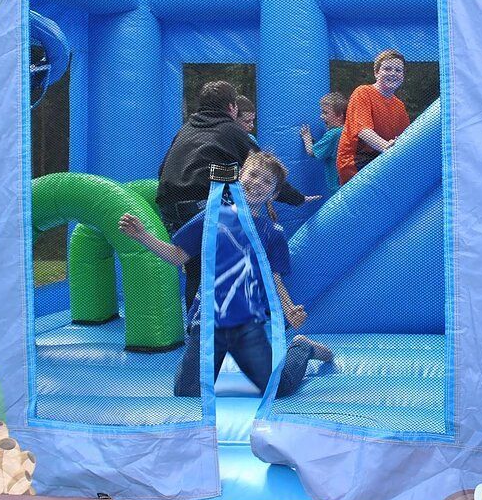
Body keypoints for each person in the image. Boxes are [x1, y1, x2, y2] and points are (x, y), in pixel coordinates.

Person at [121, 152, 333, 398]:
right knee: (186, 392)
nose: (256, 183)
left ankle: (301, 348)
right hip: (210, 318)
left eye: (266, 182)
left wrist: (288, 308)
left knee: (277, 388)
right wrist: (142, 236)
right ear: (239, 177)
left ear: (274, 194)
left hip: (250, 322)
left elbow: (274, 277)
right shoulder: (212, 217)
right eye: (252, 175)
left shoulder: (273, 232)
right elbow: (178, 255)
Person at [156, 81, 316, 307]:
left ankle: (198, 325)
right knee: (214, 265)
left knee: (195, 265)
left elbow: (162, 170)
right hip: (202, 202)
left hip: (169, 203)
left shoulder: (185, 130)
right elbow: (266, 170)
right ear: (232, 108)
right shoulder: (232, 131)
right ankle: (215, 325)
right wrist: (297, 198)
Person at [336, 50, 410, 185]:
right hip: (356, 161)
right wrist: (387, 148)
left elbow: (404, 136)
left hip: (381, 157)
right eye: (387, 68)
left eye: (398, 70)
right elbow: (363, 130)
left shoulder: (399, 106)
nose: (393, 73)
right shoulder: (363, 93)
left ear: (403, 76)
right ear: (376, 73)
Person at [300, 92, 347, 196]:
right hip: (345, 182)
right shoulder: (346, 130)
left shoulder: (333, 134)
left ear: (339, 115)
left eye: (325, 113)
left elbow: (311, 152)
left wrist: (306, 138)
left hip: (336, 185)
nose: (321, 117)